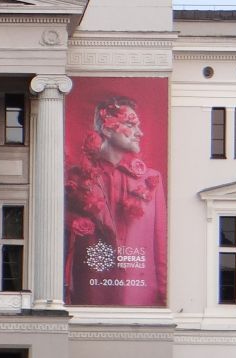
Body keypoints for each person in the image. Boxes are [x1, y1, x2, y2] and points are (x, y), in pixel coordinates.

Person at [65, 95, 167, 306]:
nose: (140, 132)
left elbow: (160, 245)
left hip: (140, 297)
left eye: (138, 125)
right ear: (107, 129)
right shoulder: (76, 179)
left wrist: (164, 294)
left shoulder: (151, 180)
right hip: (88, 296)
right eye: (130, 124)